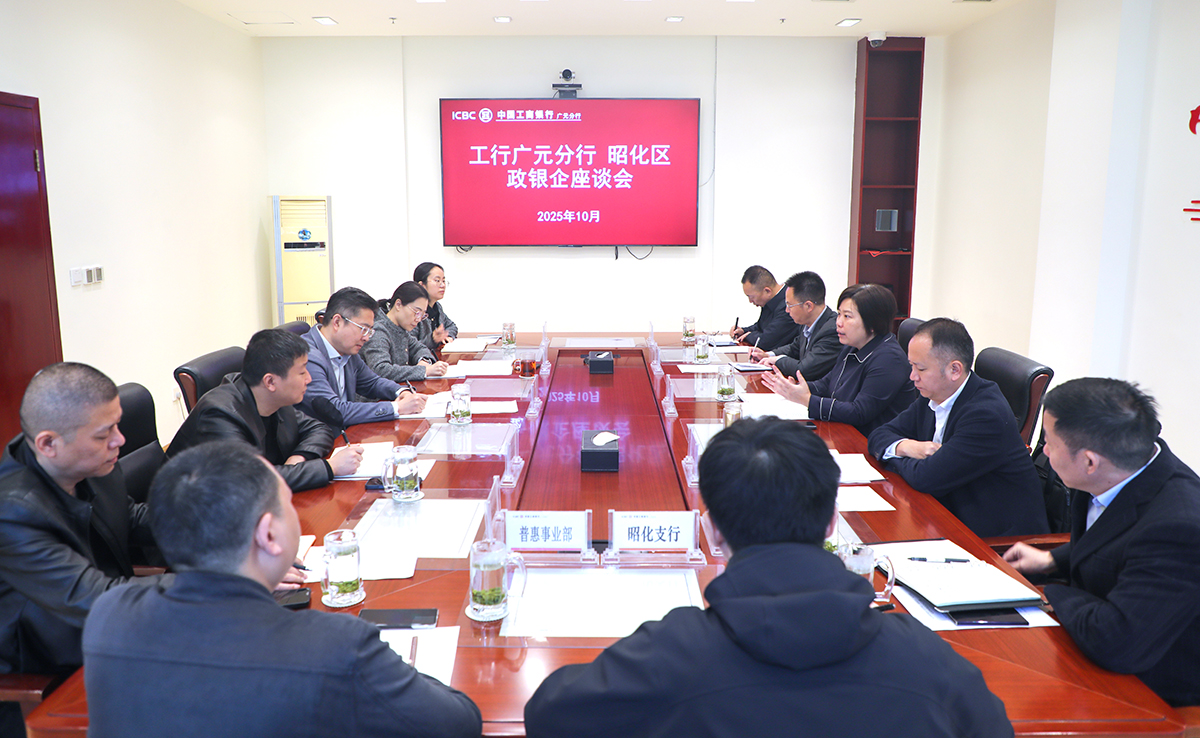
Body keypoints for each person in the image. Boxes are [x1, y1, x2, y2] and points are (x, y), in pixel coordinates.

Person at [524, 417, 1013, 738]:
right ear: (830, 523)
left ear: (713, 530)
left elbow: (547, 714)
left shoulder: (670, 654)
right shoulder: (924, 659)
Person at [82, 441, 483, 737]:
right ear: (269, 535)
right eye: (289, 503)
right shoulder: (337, 647)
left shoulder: (110, 613)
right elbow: (459, 723)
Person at [1003, 378, 1200, 707]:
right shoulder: (1119, 470)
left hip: (1150, 692)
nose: (1044, 451)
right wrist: (1052, 561)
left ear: (1090, 462)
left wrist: (1050, 593)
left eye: (1049, 442)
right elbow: (1115, 537)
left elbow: (1117, 642)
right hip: (1089, 647)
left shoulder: (1178, 528)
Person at [0, 363, 170, 738]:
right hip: (48, 680)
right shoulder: (12, 513)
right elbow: (95, 596)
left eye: (117, 425)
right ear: (48, 444)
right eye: (104, 434)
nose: (120, 440)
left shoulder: (90, 464)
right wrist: (223, 581)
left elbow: (131, 518)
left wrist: (228, 530)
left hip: (110, 638)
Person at [866, 319, 1048, 537]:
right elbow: (878, 435)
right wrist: (906, 447)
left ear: (954, 369)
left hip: (998, 541)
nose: (912, 376)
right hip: (946, 515)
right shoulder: (933, 394)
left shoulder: (986, 416)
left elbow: (926, 478)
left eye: (920, 368)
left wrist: (895, 457)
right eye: (911, 366)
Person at [167, 329, 364, 492]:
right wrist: (330, 467)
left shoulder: (272, 398)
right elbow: (251, 480)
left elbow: (318, 429)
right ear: (270, 381)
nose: (309, 379)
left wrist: (299, 458)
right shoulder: (220, 413)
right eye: (302, 372)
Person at [762, 283, 915, 436]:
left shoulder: (889, 359)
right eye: (839, 314)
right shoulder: (852, 346)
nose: (838, 322)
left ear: (873, 322)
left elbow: (859, 412)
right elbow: (828, 383)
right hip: (844, 431)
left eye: (847, 316)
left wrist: (807, 400)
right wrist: (797, 388)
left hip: (869, 441)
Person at [299, 286, 427, 426]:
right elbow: (335, 410)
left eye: (369, 331)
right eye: (363, 329)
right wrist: (396, 408)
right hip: (328, 435)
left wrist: (401, 392)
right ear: (337, 322)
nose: (366, 338)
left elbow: (372, 382)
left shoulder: (346, 350)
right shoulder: (306, 357)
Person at [749, 270, 841, 381]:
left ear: (808, 306)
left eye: (790, 305)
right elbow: (794, 348)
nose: (787, 310)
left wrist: (777, 360)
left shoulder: (832, 330)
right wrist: (768, 355)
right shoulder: (806, 322)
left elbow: (804, 370)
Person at [362, 281, 450, 382]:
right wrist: (424, 370)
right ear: (398, 304)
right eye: (417, 312)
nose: (418, 319)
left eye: (422, 315)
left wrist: (424, 361)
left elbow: (420, 348)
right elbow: (381, 370)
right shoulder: (378, 330)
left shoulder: (400, 329)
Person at [728, 265, 797, 352]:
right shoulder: (770, 301)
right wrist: (743, 331)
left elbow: (766, 341)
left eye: (751, 296)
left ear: (767, 291)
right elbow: (761, 327)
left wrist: (749, 335)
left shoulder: (788, 305)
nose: (750, 301)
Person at [412, 262, 458, 352]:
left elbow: (452, 326)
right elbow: (409, 347)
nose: (442, 285)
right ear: (421, 285)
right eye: (437, 280)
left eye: (443, 281)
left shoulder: (436, 307)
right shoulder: (413, 311)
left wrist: (448, 336)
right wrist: (433, 339)